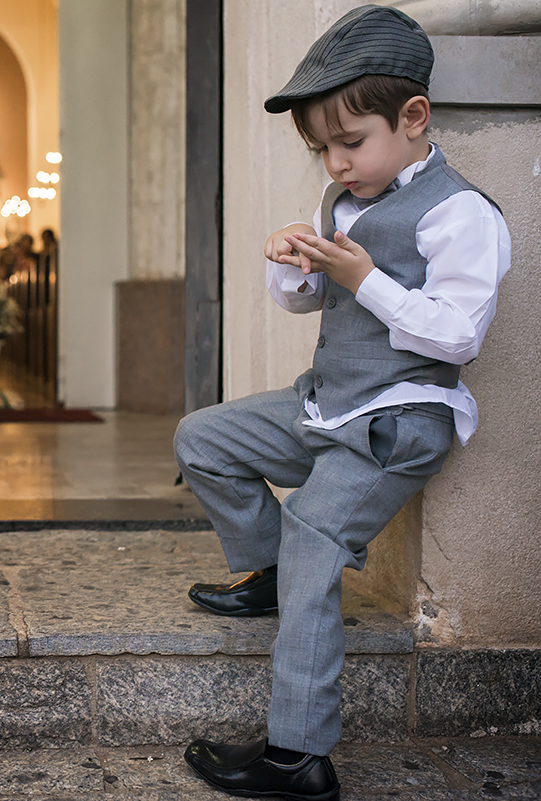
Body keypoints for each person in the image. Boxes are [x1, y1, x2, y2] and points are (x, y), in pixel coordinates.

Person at [174, 6, 511, 800]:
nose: (334, 162)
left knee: (314, 539)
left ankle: (298, 757)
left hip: (397, 421)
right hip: (328, 405)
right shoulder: (344, 201)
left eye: (349, 142)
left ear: (414, 118)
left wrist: (367, 278)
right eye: (321, 148)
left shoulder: (462, 214)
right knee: (204, 438)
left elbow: (458, 336)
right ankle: (269, 572)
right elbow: (306, 307)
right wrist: (291, 263)